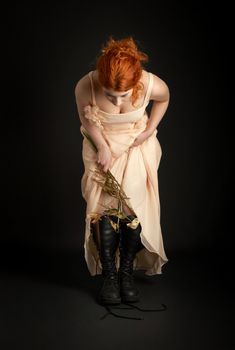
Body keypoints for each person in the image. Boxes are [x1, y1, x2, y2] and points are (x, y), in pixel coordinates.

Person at [74, 36, 170, 307]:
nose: (116, 99)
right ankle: (110, 275)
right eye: (109, 95)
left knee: (131, 208)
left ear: (136, 82)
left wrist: (149, 129)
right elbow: (85, 116)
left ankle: (126, 272)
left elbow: (164, 98)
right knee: (103, 208)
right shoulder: (86, 84)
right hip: (101, 147)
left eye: (123, 96)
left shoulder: (150, 83)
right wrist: (102, 146)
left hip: (136, 147)